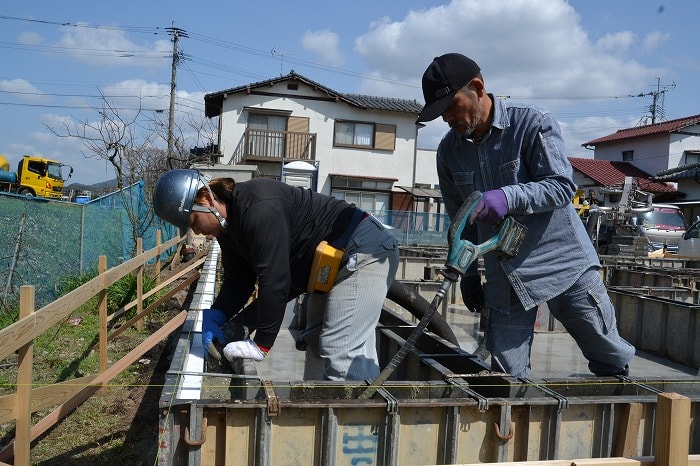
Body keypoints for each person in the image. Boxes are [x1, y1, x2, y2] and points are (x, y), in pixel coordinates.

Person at [417, 53, 635, 379]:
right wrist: (468, 274)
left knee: (609, 358)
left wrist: (508, 196)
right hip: (505, 274)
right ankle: (513, 426)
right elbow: (458, 218)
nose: (447, 118)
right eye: (440, 113)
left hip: (562, 261)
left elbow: (562, 188)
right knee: (506, 379)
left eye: (451, 106)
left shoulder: (531, 125)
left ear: (477, 88)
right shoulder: (449, 151)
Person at [152, 170, 399, 381]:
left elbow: (276, 279)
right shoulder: (228, 230)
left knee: (341, 348)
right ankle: (319, 414)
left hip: (363, 250)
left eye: (194, 221)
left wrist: (262, 343)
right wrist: (218, 313)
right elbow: (239, 280)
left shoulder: (259, 206)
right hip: (330, 264)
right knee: (316, 339)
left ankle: (353, 427)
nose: (195, 230)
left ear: (206, 198)